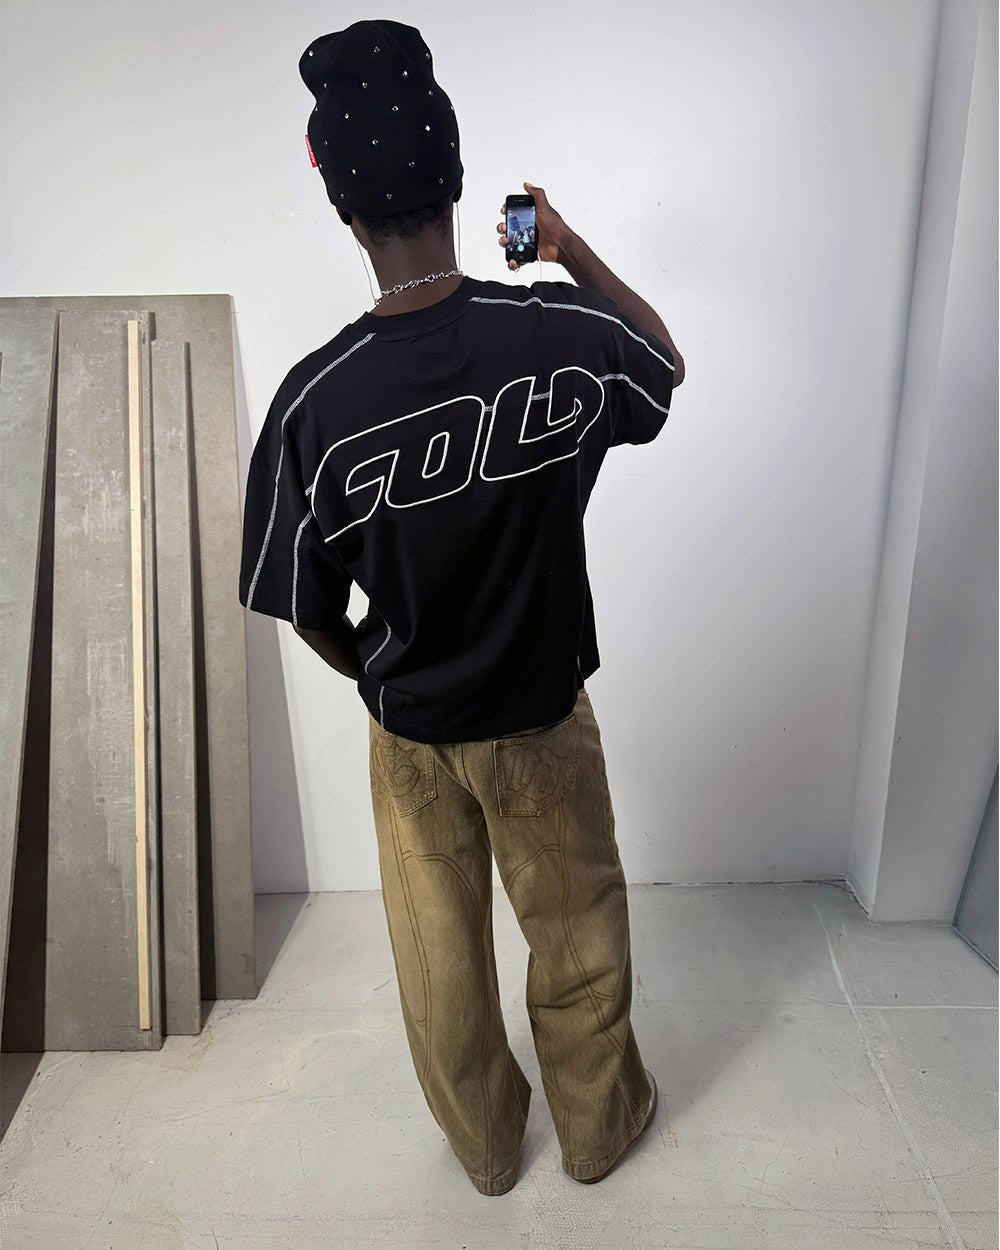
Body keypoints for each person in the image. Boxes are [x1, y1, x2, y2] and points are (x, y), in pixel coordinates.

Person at [238, 18, 685, 1197]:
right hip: (540, 713)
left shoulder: (312, 403)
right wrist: (568, 248)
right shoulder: (556, 336)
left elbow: (303, 605)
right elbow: (662, 364)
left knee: (440, 970)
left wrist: (381, 673)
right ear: (452, 174)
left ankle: (487, 1152)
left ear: (343, 207)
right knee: (577, 937)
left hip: (413, 735)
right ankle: (597, 1133)